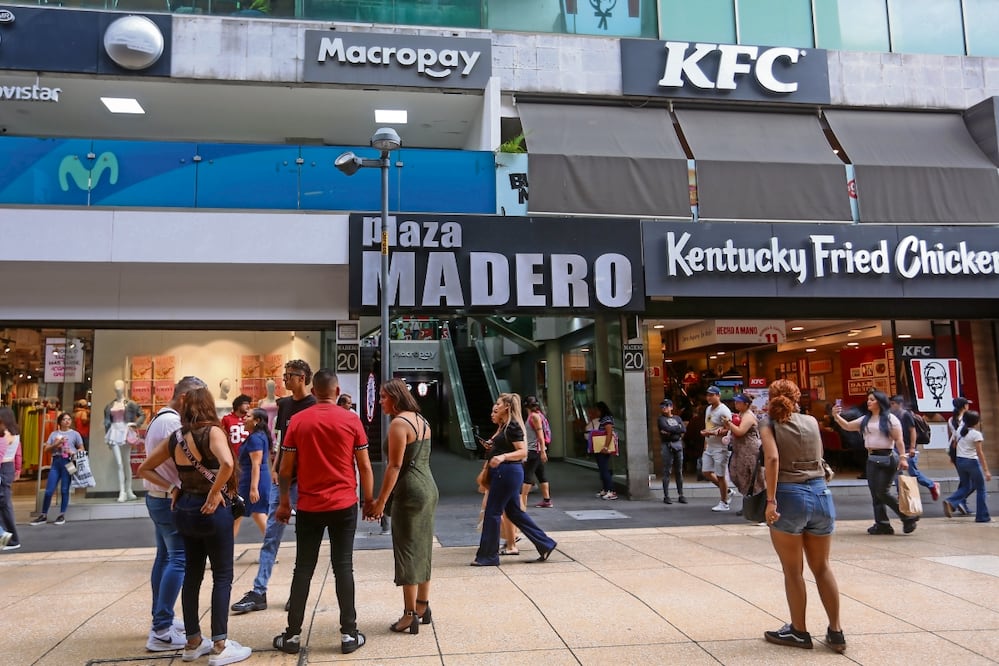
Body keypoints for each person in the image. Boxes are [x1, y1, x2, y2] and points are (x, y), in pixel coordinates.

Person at [138, 387, 251, 666]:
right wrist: (215, 493)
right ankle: (220, 644)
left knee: (192, 574)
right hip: (212, 511)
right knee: (222, 575)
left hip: (184, 509)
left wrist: (174, 486)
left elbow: (144, 468)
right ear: (210, 406)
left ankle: (192, 642)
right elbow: (226, 463)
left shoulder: (177, 436)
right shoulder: (213, 432)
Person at [272, 369, 373, 656]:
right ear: (337, 389)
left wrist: (283, 503)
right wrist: (370, 501)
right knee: (343, 566)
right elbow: (364, 466)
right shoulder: (351, 420)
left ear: (313, 391)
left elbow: (285, 468)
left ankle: (292, 636)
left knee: (303, 568)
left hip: (309, 505)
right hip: (344, 504)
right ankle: (349, 634)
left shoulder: (298, 421)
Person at [760, 379, 844, 653]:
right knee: (822, 567)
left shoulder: (768, 423)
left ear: (771, 397)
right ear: (797, 397)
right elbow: (819, 458)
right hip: (821, 494)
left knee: (793, 571)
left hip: (789, 495)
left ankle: (799, 631)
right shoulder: (811, 421)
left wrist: (770, 500)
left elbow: (772, 460)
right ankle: (836, 631)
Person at [231, 359, 316, 614]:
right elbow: (281, 440)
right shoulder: (284, 405)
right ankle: (259, 591)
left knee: (305, 539)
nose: (284, 379)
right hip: (284, 481)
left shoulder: (313, 406)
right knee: (270, 537)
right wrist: (276, 468)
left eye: (288, 375)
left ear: (301, 378)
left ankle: (297, 593)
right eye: (284, 374)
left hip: (306, 483)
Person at [366, 378, 439, 634]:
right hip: (428, 486)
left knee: (406, 549)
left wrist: (380, 501)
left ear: (395, 398)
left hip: (409, 491)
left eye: (384, 397)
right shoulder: (422, 420)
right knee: (423, 546)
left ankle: (409, 615)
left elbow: (395, 466)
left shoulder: (399, 424)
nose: (380, 401)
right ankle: (422, 605)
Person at [139, 375, 207, 653]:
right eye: (194, 402)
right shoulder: (170, 422)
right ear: (183, 399)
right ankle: (161, 630)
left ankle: (161, 618)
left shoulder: (160, 417)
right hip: (168, 500)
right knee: (178, 559)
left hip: (159, 498)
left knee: (165, 557)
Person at [472, 393, 557, 567]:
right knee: (514, 512)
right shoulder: (504, 426)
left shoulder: (512, 426)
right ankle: (545, 544)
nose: (495, 406)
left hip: (507, 472)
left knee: (493, 512)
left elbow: (523, 451)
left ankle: (488, 556)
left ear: (507, 407)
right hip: (505, 473)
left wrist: (502, 457)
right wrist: (492, 447)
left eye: (498, 403)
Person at [834, 389, 914, 535]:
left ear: (880, 402)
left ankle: (907, 517)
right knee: (875, 494)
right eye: (868, 399)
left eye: (872, 399)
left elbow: (899, 440)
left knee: (882, 492)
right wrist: (836, 416)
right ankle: (882, 524)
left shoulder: (890, 419)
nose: (868, 402)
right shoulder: (866, 419)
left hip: (888, 457)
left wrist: (903, 457)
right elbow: (847, 426)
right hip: (871, 458)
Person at [30, 412, 85, 526]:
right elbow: (46, 449)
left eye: (69, 419)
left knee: (65, 489)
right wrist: (57, 444)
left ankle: (61, 514)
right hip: (56, 461)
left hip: (69, 462)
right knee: (49, 490)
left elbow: (81, 449)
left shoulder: (75, 434)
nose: (67, 421)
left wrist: (73, 452)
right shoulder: (54, 434)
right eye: (64, 419)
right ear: (60, 421)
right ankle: (44, 514)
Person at [889, 395, 940, 501]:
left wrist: (912, 447)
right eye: (891, 403)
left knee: (913, 472)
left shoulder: (906, 415)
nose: (891, 406)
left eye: (893, 403)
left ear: (900, 404)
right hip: (897, 448)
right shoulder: (892, 416)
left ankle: (932, 485)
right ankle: (901, 494)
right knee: (896, 471)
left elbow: (913, 431)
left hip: (908, 448)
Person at [943, 411, 991, 523]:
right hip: (972, 462)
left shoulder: (960, 430)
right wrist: (986, 470)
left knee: (965, 486)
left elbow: (954, 444)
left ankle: (951, 501)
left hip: (960, 461)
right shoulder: (976, 434)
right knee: (981, 489)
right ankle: (982, 517)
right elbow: (980, 453)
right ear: (976, 422)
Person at [104, 379, 146, 502]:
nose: (118, 388)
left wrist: (135, 424)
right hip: (114, 432)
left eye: (120, 386)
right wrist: (106, 437)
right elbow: (107, 421)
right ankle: (122, 491)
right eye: (116, 386)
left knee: (127, 462)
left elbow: (142, 414)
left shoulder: (130, 403)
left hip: (126, 432)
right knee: (119, 463)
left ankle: (129, 490)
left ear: (123, 387)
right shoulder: (109, 405)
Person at [234, 408, 271, 537]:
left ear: (257, 421)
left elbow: (256, 464)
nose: (244, 418)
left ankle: (270, 552)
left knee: (255, 513)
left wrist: (254, 488)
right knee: (239, 514)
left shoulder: (256, 439)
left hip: (253, 480)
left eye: (248, 416)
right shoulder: (257, 436)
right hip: (250, 479)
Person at [724, 393, 763, 515]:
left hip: (749, 450)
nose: (736, 404)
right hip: (739, 450)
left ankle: (757, 506)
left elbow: (740, 431)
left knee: (753, 478)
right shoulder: (740, 414)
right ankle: (748, 502)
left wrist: (730, 424)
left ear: (746, 404)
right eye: (735, 402)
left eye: (739, 402)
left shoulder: (749, 416)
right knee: (736, 475)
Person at [700, 386, 733, 512]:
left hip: (720, 447)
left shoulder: (724, 410)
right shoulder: (708, 409)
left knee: (720, 475)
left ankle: (724, 502)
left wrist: (712, 433)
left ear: (718, 395)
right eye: (707, 395)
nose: (709, 397)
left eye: (711, 395)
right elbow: (708, 425)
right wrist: (706, 441)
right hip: (709, 445)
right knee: (706, 472)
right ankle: (727, 491)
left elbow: (729, 429)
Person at [523, 396, 553, 509]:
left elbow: (540, 435)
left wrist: (543, 452)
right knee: (541, 475)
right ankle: (547, 500)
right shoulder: (536, 415)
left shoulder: (534, 416)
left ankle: (522, 501)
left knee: (527, 476)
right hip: (537, 450)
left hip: (534, 450)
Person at [0, 407, 23, 550]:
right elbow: (18, 453)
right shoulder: (15, 432)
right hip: (8, 467)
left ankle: (12, 539)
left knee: (4, 505)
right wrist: (18, 469)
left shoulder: (6, 434)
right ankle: (6, 539)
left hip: (3, 467)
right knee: (4, 505)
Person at [657, 399, 686, 504]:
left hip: (677, 444)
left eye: (666, 406)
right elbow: (664, 428)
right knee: (667, 470)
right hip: (667, 444)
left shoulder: (677, 417)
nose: (664, 408)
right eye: (663, 406)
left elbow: (683, 429)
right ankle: (666, 495)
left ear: (671, 407)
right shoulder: (661, 419)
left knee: (679, 470)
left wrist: (671, 430)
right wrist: (676, 429)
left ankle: (681, 494)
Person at [592, 401, 618, 500]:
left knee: (604, 469)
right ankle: (606, 489)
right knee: (602, 469)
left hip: (604, 447)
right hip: (600, 447)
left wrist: (606, 446)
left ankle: (611, 490)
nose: (596, 412)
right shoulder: (603, 419)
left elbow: (609, 433)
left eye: (597, 410)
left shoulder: (607, 419)